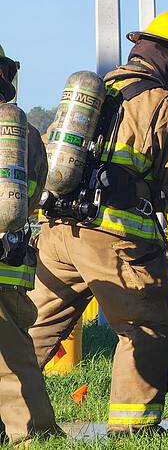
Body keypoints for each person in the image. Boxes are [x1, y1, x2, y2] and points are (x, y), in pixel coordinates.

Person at [28, 12, 168, 435]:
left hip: (57, 234)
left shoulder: (96, 93)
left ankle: (7, 420)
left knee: (31, 331)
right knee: (150, 327)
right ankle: (133, 432)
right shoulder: (162, 104)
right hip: (114, 241)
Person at [0, 45, 63, 444]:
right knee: (13, 358)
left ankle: (30, 431)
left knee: (12, 361)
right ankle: (28, 432)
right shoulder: (25, 133)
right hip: (10, 263)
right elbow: (36, 193)